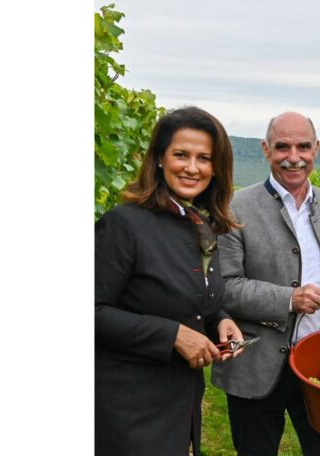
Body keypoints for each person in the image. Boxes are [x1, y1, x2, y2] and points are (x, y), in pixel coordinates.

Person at [211, 111, 320, 456]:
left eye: (303, 147)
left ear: (317, 149)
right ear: (266, 149)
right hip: (255, 363)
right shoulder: (234, 207)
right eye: (282, 146)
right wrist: (289, 299)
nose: (293, 157)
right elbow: (225, 286)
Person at [95, 106, 246, 455]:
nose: (192, 167)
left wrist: (219, 321)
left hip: (180, 404)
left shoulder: (201, 225)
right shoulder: (124, 224)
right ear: (160, 159)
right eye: (181, 155)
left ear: (216, 168)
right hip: (125, 410)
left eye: (204, 158)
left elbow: (192, 298)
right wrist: (173, 335)